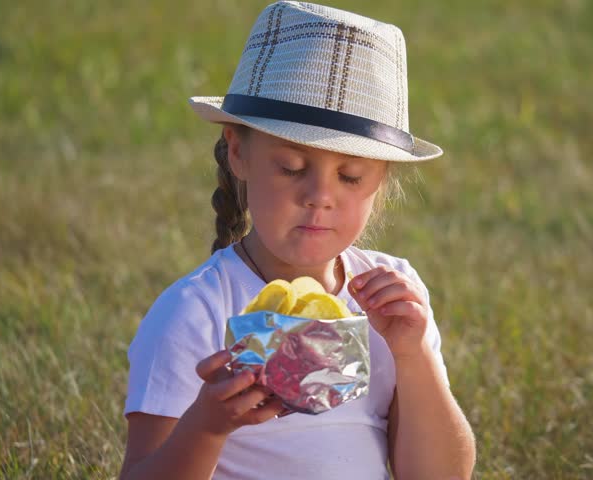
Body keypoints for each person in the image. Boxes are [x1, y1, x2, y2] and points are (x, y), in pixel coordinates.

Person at [119, 2, 475, 479]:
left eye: (350, 177)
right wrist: (207, 425)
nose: (319, 197)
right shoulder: (198, 312)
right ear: (239, 152)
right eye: (291, 168)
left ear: (381, 182)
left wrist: (415, 358)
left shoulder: (392, 299)